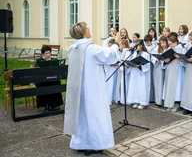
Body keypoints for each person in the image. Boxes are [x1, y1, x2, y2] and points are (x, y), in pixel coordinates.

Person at [64, 22, 120, 155]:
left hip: (78, 89)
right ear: (84, 33)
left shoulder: (73, 48)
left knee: (81, 115)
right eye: (88, 29)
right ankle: (96, 143)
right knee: (94, 114)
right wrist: (116, 43)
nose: (90, 30)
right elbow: (109, 55)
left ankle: (80, 143)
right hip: (92, 88)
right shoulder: (91, 48)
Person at [35, 45, 63, 111]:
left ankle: (54, 103)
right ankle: (46, 104)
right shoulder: (39, 61)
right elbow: (37, 71)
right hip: (43, 80)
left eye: (49, 53)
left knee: (56, 82)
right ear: (42, 54)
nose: (48, 55)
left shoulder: (54, 60)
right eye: (46, 53)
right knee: (45, 84)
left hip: (52, 79)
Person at [162, 36, 185, 111]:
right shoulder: (169, 49)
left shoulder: (181, 48)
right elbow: (164, 60)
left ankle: (177, 103)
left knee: (177, 86)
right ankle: (170, 103)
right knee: (169, 86)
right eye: (169, 44)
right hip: (170, 69)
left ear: (176, 42)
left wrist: (179, 57)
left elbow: (185, 60)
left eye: (171, 44)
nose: (170, 46)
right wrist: (165, 61)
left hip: (178, 70)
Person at [126, 39, 151, 109]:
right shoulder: (134, 53)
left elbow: (147, 66)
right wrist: (130, 64)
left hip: (141, 73)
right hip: (134, 72)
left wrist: (140, 66)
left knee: (141, 87)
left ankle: (142, 102)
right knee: (135, 86)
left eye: (138, 45)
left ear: (141, 45)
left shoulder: (145, 54)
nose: (137, 47)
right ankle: (135, 101)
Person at [150, 36, 168, 106]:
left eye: (164, 42)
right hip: (158, 68)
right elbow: (152, 57)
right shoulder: (157, 49)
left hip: (166, 68)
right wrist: (156, 59)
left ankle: (165, 101)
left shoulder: (168, 49)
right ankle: (158, 101)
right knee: (158, 84)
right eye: (161, 43)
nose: (162, 44)